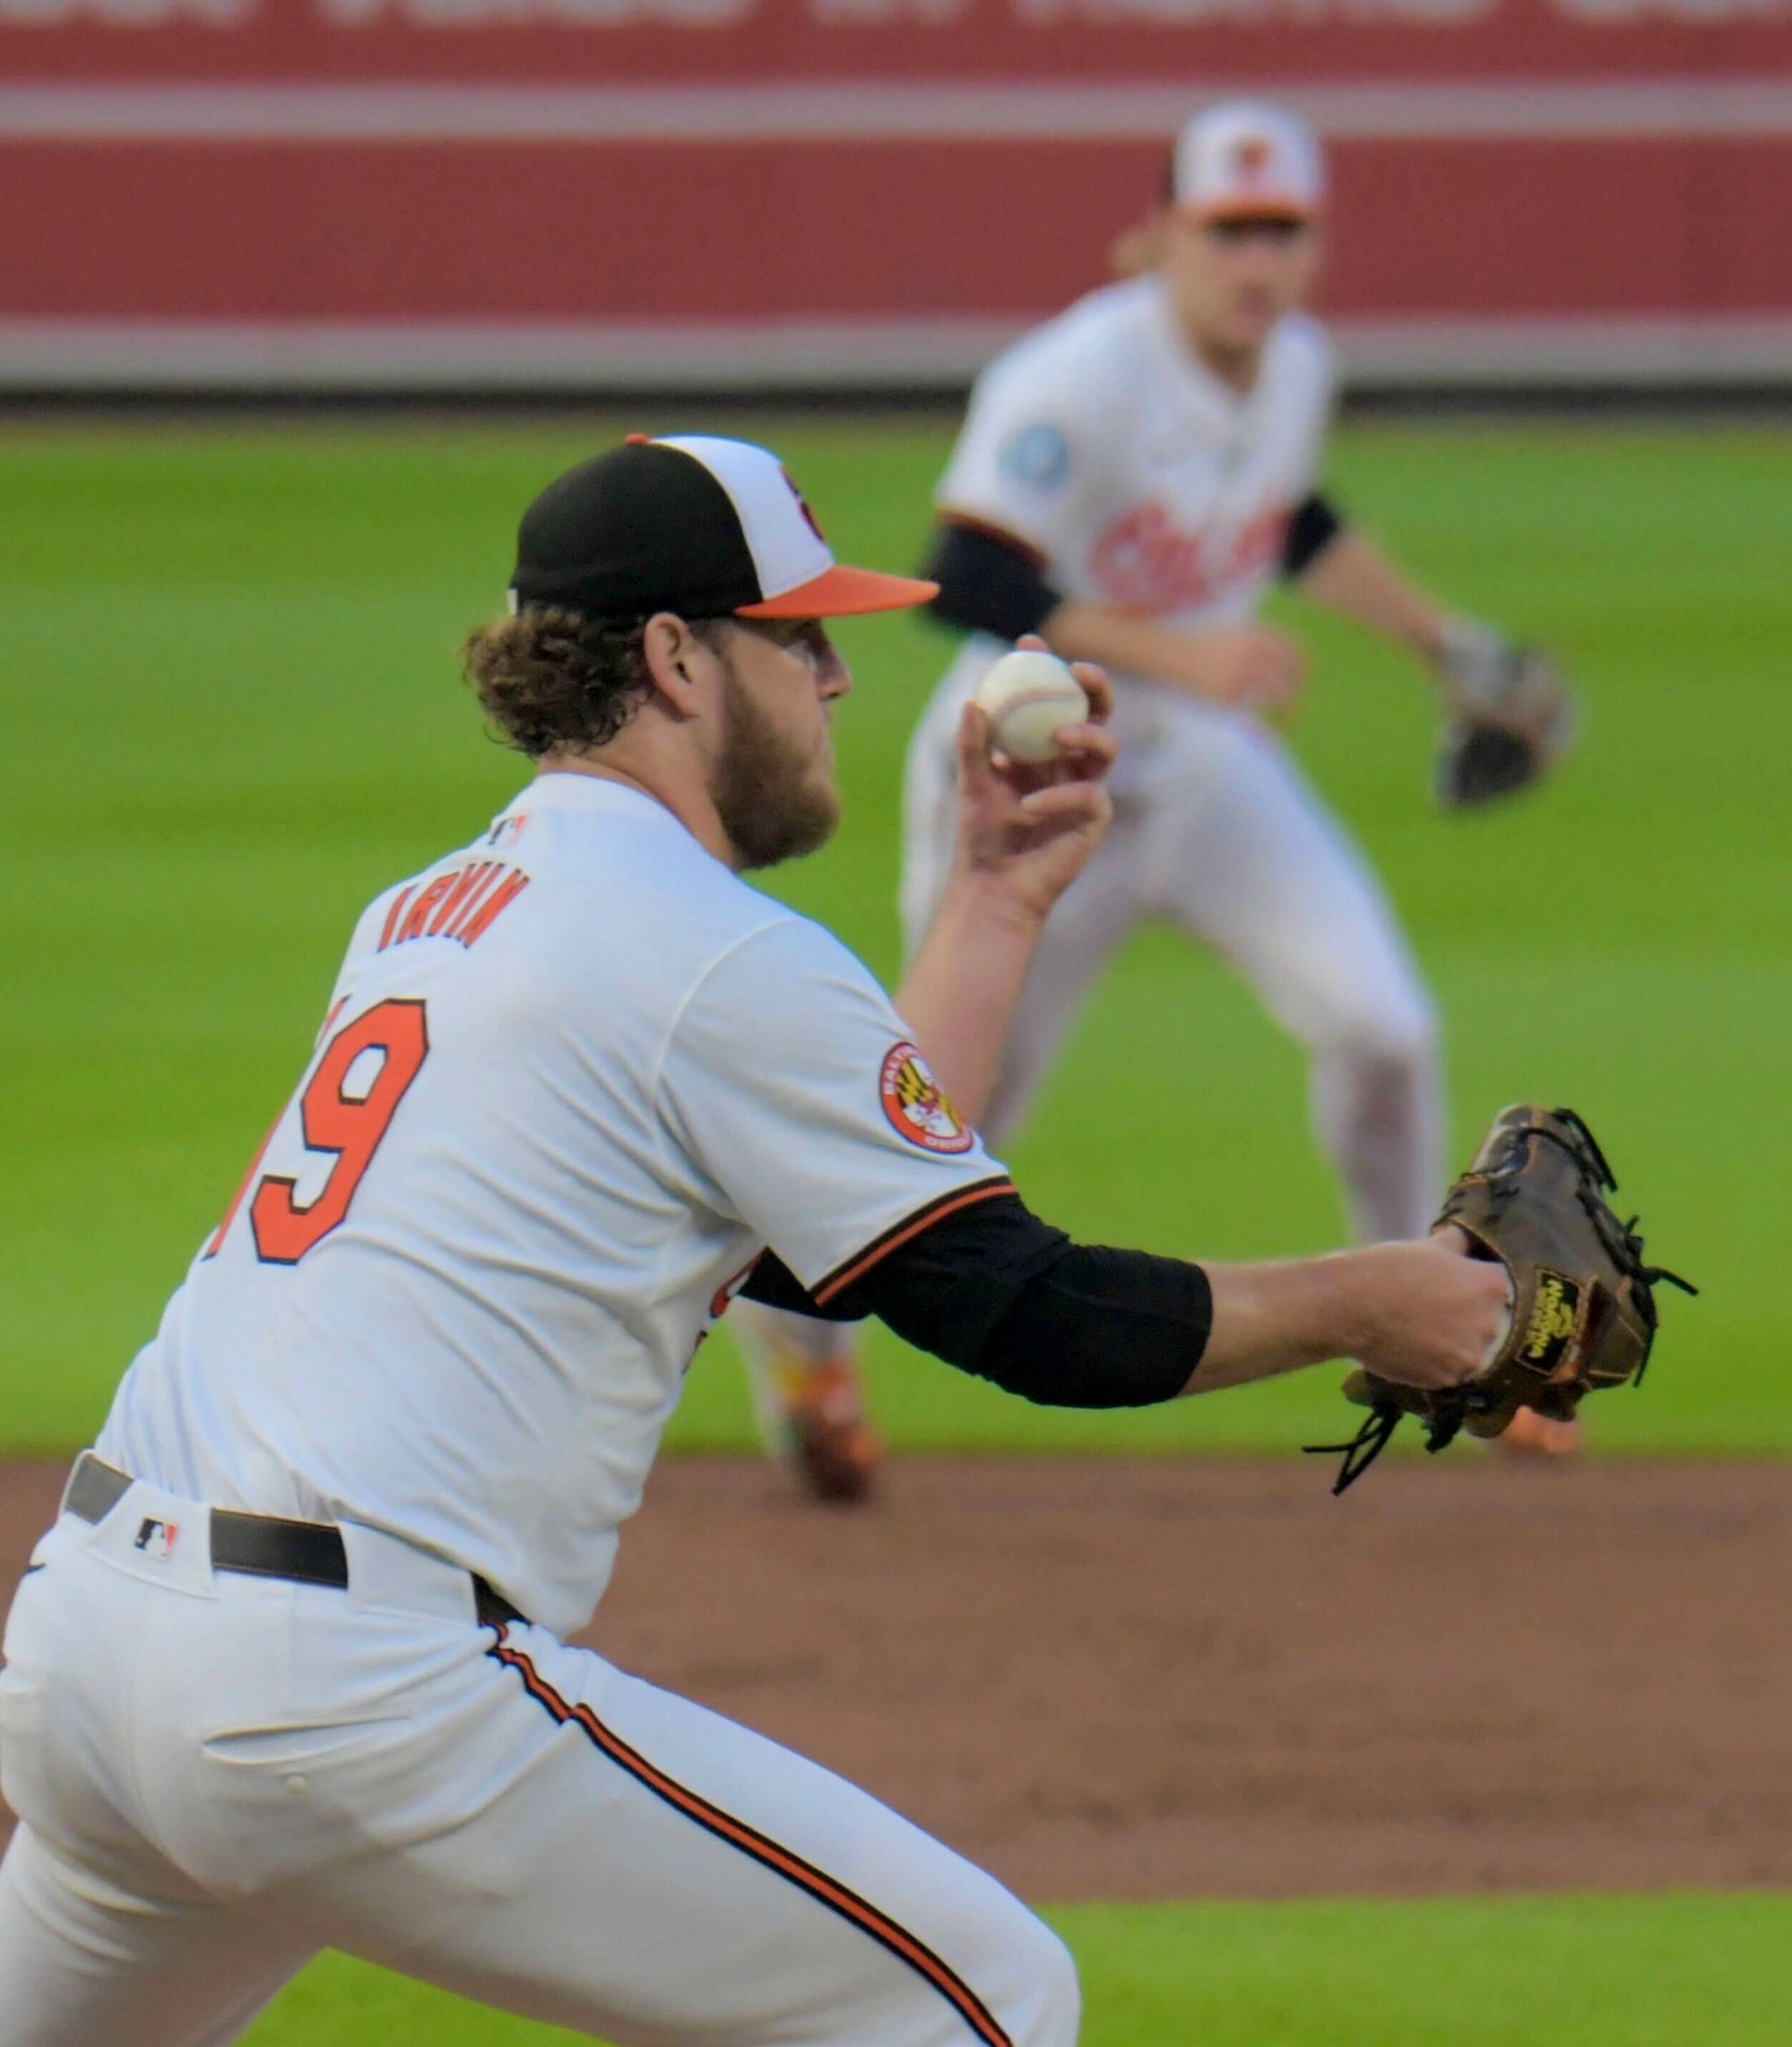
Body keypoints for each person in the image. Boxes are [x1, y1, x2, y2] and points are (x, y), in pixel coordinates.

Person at [0, 434, 1510, 2047]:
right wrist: (1378, 1298)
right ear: (675, 658)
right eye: (800, 636)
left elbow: (821, 1247)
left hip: (89, 1654)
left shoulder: (430, 911)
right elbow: (1037, 1318)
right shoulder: (708, 948)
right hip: (345, 1694)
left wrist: (993, 903)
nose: (843, 678)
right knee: (988, 1999)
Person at [734, 99, 1577, 1481]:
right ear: (1161, 238)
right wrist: (1190, 650)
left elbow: (1288, 517)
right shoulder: (1075, 379)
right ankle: (808, 1362)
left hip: (1210, 768)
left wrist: (1444, 642)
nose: (1257, 260)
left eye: (1283, 231)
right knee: (943, 1118)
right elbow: (976, 567)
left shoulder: (1296, 366)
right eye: (1230, 229)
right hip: (1038, 765)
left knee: (1382, 1027)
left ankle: (1435, 1321)